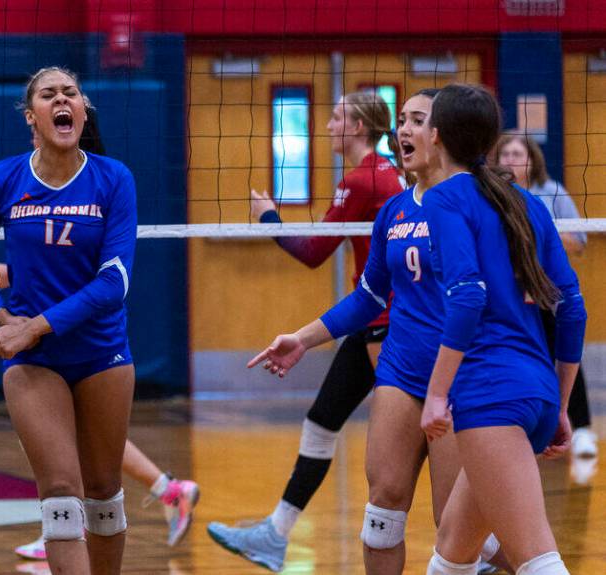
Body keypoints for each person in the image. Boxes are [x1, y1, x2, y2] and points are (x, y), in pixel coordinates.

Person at [207, 90, 403, 572]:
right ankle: (275, 535)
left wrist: (268, 217)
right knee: (322, 421)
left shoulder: (364, 178)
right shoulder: (383, 174)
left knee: (417, 438)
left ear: (358, 127)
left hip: (387, 322)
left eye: (337, 116)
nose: (328, 123)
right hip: (372, 317)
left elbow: (313, 250)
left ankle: (484, 546)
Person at [0, 105, 198, 561]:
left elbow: (95, 277)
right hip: (42, 354)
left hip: (92, 343)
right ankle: (85, 517)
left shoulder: (106, 186)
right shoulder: (23, 183)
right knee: (64, 468)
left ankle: (167, 489)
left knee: (97, 475)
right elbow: (44, 264)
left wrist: (32, 321)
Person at [0, 66, 137, 574]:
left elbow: (114, 283)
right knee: (61, 495)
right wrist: (0, 314)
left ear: (82, 110)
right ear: (31, 116)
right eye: (49, 94)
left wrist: (32, 325)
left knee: (104, 494)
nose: (63, 100)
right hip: (34, 363)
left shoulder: (113, 178)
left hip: (102, 353)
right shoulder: (1, 178)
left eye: (72, 93)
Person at [419, 84, 585, 575]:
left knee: (538, 560)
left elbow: (468, 296)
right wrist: (557, 404)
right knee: (451, 548)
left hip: (490, 392)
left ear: (435, 136)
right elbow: (572, 308)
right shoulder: (527, 203)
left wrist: (435, 393)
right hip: (532, 389)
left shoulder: (445, 199)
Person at [496, 134, 597, 461]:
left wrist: (539, 234)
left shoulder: (550, 192)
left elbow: (578, 239)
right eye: (505, 153)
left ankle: (581, 430)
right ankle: (525, 425)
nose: (511, 159)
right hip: (511, 297)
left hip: (548, 292)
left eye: (517, 153)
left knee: (567, 356)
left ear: (531, 159)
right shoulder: (494, 199)